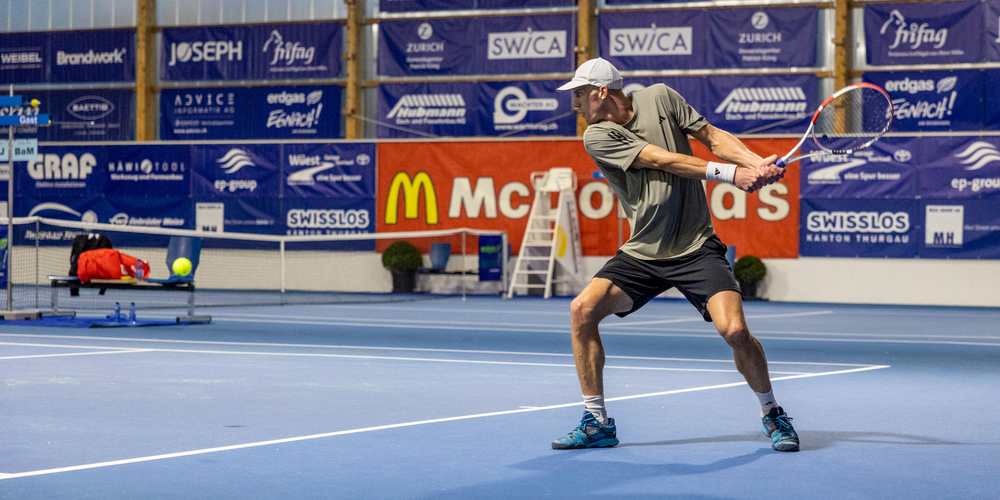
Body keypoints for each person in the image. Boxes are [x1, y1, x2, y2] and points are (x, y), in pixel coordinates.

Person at [550, 58, 799, 452]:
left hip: (697, 246)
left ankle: (772, 412)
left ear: (601, 91)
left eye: (579, 94)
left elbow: (712, 136)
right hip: (644, 252)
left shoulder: (661, 97)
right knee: (582, 311)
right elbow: (659, 159)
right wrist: (734, 175)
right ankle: (596, 422)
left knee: (735, 332)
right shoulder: (596, 136)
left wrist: (754, 163)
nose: (575, 104)